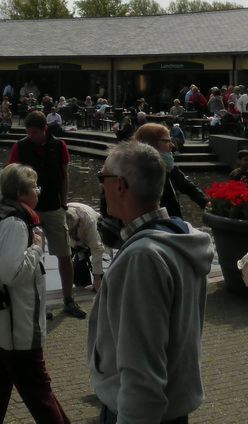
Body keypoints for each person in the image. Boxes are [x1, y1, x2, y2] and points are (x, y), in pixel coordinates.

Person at [88, 140, 214, 424]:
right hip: (173, 408)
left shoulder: (143, 257)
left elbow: (141, 370)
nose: (100, 187)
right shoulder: (182, 237)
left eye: (102, 178)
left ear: (119, 185)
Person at [0, 164, 70, 424]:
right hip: (15, 329)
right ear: (22, 194)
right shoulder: (15, 224)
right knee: (39, 393)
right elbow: (11, 273)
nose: (38, 193)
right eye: (35, 188)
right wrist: (36, 248)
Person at [8, 111, 83, 317]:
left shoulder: (59, 145)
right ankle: (36, 302)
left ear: (45, 129)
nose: (31, 136)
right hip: (29, 209)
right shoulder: (20, 146)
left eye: (35, 133)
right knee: (31, 256)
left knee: (64, 254)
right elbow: (11, 178)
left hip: (53, 206)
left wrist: (64, 203)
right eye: (28, 133)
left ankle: (69, 299)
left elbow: (64, 176)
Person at [133, 122, 209, 218]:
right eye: (166, 141)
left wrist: (205, 202)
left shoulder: (170, 168)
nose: (172, 145)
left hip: (169, 219)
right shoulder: (134, 171)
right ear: (149, 143)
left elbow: (188, 186)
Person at [65, 201, 105, 291]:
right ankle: (78, 286)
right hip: (70, 240)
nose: (72, 232)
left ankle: (97, 283)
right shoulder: (59, 218)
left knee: (80, 264)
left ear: (78, 221)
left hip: (89, 235)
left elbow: (97, 248)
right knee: (70, 265)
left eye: (73, 230)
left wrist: (97, 278)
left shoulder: (89, 221)